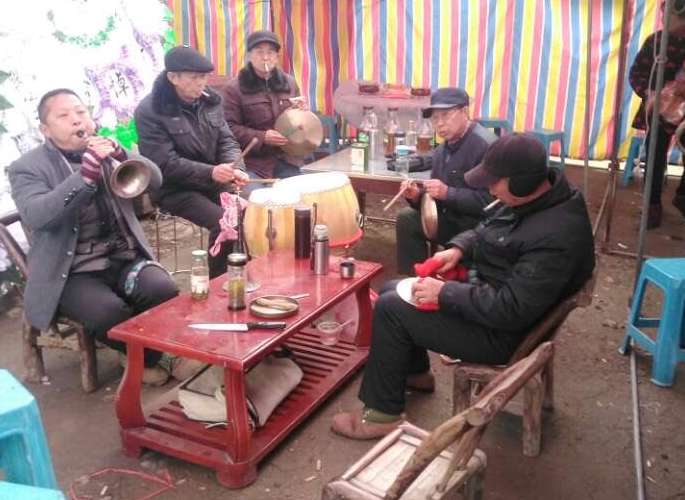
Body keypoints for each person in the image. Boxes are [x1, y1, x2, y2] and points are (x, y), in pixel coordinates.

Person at [331, 133, 595, 439]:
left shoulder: (555, 235)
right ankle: (415, 373)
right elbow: (487, 226)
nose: (489, 188)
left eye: (495, 181)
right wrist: (458, 249)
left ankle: (381, 415)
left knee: (391, 309)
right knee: (393, 289)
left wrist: (445, 293)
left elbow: (511, 309)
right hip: (494, 300)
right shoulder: (537, 197)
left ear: (522, 182)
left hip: (505, 334)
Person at [8, 89, 184, 387]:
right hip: (71, 271)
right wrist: (85, 176)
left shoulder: (105, 150)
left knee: (163, 289)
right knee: (108, 313)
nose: (77, 120)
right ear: (45, 129)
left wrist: (123, 154)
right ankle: (150, 358)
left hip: (123, 257)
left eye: (81, 112)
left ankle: (140, 353)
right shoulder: (26, 168)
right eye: (64, 115)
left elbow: (156, 180)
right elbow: (37, 215)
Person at [134, 45, 247, 277]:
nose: (201, 83)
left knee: (247, 212)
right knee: (224, 223)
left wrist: (235, 167)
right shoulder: (151, 110)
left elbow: (226, 140)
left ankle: (244, 273)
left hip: (213, 179)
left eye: (204, 77)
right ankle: (219, 284)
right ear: (173, 77)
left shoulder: (210, 100)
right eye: (194, 77)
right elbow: (164, 163)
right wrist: (210, 172)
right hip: (174, 188)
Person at [628, 0, 685, 229]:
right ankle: (653, 207)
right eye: (663, 14)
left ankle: (682, 197)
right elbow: (636, 71)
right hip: (659, 110)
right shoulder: (656, 41)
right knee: (655, 161)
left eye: (669, 15)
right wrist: (648, 92)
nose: (664, 19)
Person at [395, 87, 494, 274]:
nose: (439, 123)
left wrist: (449, 193)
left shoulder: (486, 146)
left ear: (465, 111)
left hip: (479, 228)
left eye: (446, 115)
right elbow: (436, 197)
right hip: (451, 220)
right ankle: (416, 279)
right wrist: (417, 196)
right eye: (435, 118)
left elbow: (493, 203)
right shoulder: (442, 150)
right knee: (406, 218)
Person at [222, 29, 308, 184]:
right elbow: (228, 128)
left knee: (303, 194)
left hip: (288, 160)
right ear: (250, 55)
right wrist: (262, 137)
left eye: (270, 52)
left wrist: (301, 112)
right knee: (254, 197)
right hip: (253, 165)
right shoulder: (234, 88)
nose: (265, 57)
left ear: (277, 57)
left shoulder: (289, 83)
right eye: (259, 52)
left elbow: (298, 123)